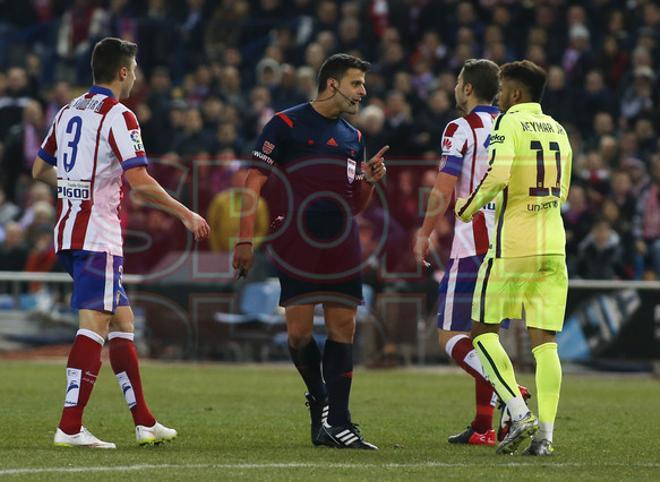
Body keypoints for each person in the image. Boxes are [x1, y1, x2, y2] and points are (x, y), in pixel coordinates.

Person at [32, 37, 210, 448]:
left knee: (122, 322)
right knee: (95, 325)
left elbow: (41, 169)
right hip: (98, 235)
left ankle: (144, 421)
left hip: (69, 232)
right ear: (124, 71)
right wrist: (186, 213)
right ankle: (70, 426)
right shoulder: (119, 115)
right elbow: (140, 182)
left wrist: (76, 186)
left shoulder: (68, 110)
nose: (138, 76)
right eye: (137, 68)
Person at [233, 53, 386, 450]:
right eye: (357, 83)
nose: (363, 92)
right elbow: (253, 183)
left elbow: (355, 204)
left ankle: (340, 420)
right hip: (295, 242)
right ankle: (318, 398)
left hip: (341, 242)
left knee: (343, 330)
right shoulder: (285, 125)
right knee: (299, 334)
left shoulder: (354, 137)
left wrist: (368, 182)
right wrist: (244, 238)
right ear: (332, 84)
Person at [455, 60, 572, 456]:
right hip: (554, 243)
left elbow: (499, 175)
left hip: (514, 244)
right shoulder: (559, 130)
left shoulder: (509, 124)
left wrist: (466, 208)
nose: (499, 95)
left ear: (515, 94)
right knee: (546, 345)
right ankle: (547, 437)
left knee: (482, 331)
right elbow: (564, 191)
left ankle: (519, 411)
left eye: (502, 89)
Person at [415, 58, 528, 447]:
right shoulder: (512, 126)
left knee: (449, 334)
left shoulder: (461, 128)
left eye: (458, 82)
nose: (455, 88)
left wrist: (424, 233)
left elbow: (443, 188)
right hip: (512, 244)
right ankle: (483, 426)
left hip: (473, 244)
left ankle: (509, 392)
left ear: (466, 89)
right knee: (485, 336)